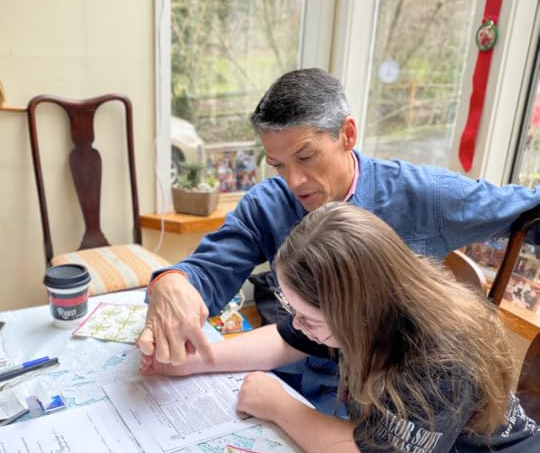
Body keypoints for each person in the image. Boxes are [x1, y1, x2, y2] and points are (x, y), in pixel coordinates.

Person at [137, 68, 540, 410]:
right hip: (289, 379)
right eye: (278, 165)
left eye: (306, 157)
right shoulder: (268, 203)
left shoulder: (425, 195)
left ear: (347, 134)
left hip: (384, 404)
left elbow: (527, 210)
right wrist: (171, 283)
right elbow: (207, 272)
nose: (293, 181)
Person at [140, 203, 540, 453]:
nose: (297, 324)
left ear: (357, 313)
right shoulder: (372, 308)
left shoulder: (441, 358)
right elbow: (285, 340)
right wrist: (199, 360)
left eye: (308, 318)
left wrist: (280, 406)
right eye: (290, 309)